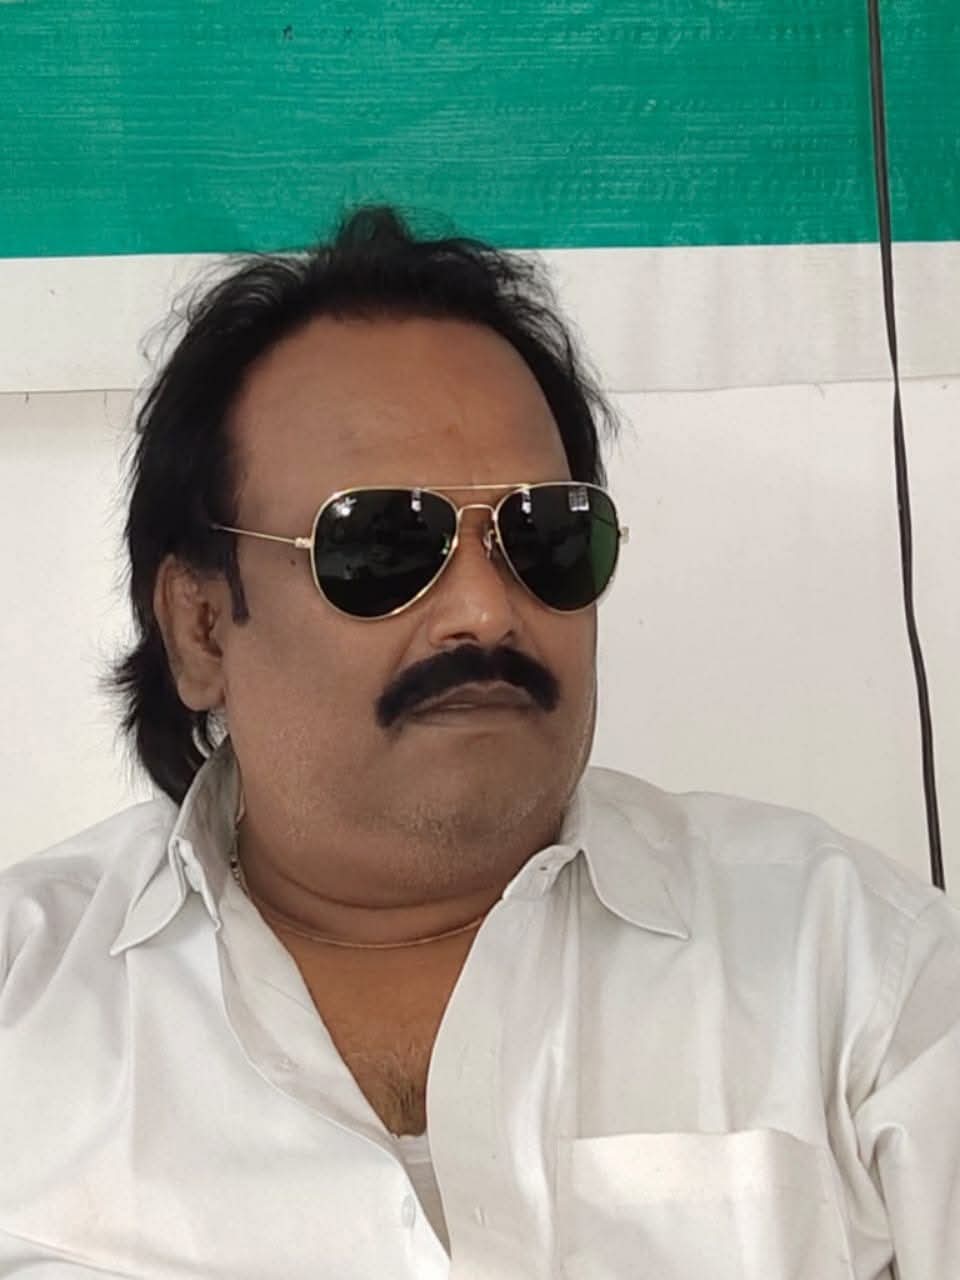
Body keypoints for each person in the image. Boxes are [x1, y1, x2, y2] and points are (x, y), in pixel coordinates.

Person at [1, 205, 957, 1280]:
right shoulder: (25, 1002)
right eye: (382, 542)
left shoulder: (853, 973)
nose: (485, 612)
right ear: (203, 626)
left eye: (544, 535)